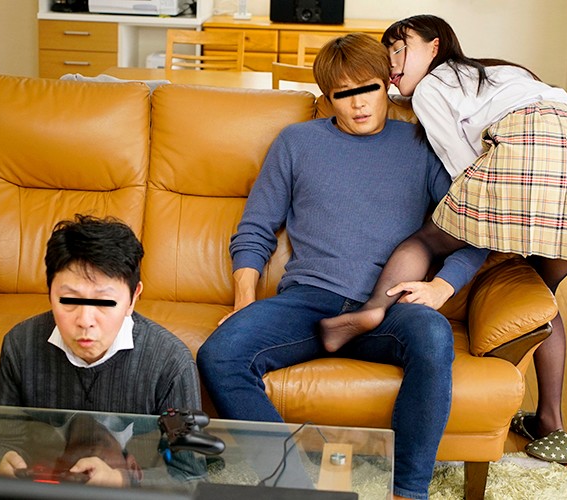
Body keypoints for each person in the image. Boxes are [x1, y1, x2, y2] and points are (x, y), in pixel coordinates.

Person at [320, 15, 567, 464]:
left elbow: (463, 168)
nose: (392, 63)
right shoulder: (501, 72)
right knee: (542, 294)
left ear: (435, 46)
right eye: (387, 55)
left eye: (400, 48)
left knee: (427, 240)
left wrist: (470, 224)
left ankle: (371, 310)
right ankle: (550, 425)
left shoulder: (431, 87)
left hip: (532, 154)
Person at [197, 33, 488, 500]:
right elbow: (255, 228)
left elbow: (474, 231)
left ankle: (406, 492)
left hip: (389, 305)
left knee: (433, 335)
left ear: (386, 84)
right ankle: (293, 487)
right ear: (327, 98)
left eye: (368, 88)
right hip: (310, 301)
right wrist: (244, 300)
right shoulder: (296, 142)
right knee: (219, 354)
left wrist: (441, 287)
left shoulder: (422, 144)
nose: (358, 104)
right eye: (343, 94)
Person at [0, 214, 203, 487]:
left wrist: (121, 481)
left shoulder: (171, 363)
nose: (85, 320)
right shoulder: (20, 345)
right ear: (49, 292)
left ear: (133, 298)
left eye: (104, 302)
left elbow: (190, 474)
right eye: (69, 300)